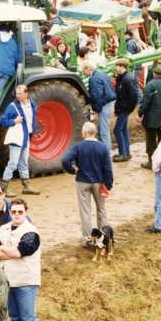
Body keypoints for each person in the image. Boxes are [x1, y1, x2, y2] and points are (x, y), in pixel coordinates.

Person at [62, 122, 113, 250]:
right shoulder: (102, 147)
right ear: (94, 133)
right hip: (99, 183)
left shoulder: (78, 146)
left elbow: (65, 161)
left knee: (85, 212)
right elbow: (108, 168)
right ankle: (104, 237)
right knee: (101, 210)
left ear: (84, 133)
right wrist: (108, 186)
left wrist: (73, 170)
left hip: (83, 182)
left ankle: (88, 240)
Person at [0, 84, 40, 198]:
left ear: (26, 94)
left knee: (23, 163)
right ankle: (3, 189)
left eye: (20, 94)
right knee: (13, 163)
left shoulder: (32, 104)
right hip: (17, 138)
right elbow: (3, 121)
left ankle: (26, 186)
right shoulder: (12, 106)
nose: (17, 96)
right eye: (16, 94)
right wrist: (14, 121)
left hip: (26, 137)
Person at [136, 63, 161, 169]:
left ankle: (151, 161)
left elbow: (145, 102)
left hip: (152, 118)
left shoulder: (151, 84)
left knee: (151, 140)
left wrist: (140, 114)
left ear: (154, 74)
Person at [81, 60, 116, 154]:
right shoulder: (102, 74)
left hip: (104, 106)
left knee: (103, 131)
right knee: (103, 130)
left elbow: (97, 95)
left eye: (83, 70)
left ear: (87, 68)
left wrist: (97, 108)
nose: (83, 73)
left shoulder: (93, 79)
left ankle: (107, 154)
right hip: (109, 104)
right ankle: (103, 152)